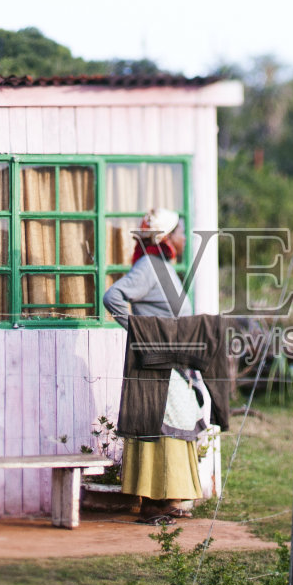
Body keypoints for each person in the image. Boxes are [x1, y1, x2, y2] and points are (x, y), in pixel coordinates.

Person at [102, 208, 203, 523]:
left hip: (171, 360)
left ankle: (168, 497)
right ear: (167, 237)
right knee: (163, 424)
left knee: (177, 420)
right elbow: (113, 296)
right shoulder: (149, 266)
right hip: (157, 361)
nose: (184, 238)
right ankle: (152, 502)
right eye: (180, 232)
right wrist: (141, 331)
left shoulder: (162, 267)